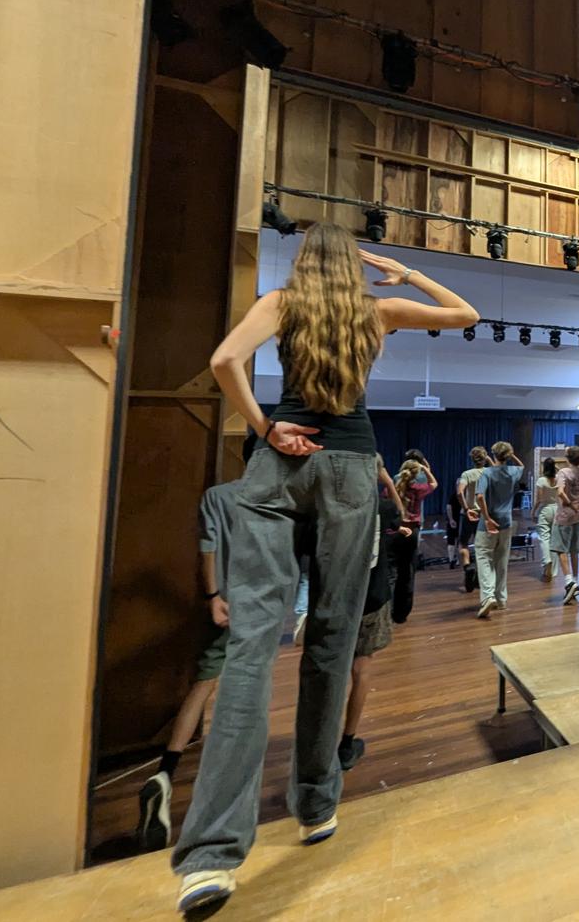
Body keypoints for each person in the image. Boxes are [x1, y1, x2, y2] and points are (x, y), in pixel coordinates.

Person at [171, 224, 476, 914]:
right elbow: (465, 313)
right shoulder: (377, 311)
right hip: (349, 472)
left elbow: (224, 360)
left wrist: (264, 427)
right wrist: (405, 273)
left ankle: (210, 858)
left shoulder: (281, 303)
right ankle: (314, 804)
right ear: (354, 268)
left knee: (250, 651)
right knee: (333, 642)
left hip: (278, 464)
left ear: (305, 262)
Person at [136, 476, 242, 853]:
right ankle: (225, 799)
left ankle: (166, 771)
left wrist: (213, 596)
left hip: (224, 603)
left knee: (203, 685)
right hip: (257, 604)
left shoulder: (217, 496)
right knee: (248, 690)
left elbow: (207, 547)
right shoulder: (276, 497)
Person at [337, 500, 401, 772]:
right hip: (371, 598)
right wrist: (386, 481)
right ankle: (346, 744)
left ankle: (319, 741)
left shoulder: (331, 505)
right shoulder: (381, 507)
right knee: (361, 670)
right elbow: (399, 516)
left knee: (330, 673)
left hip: (335, 600)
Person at [474, 441, 524, 618]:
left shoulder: (487, 473)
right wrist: (511, 455)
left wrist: (487, 518)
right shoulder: (513, 471)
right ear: (508, 455)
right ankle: (501, 599)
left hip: (489, 523)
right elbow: (521, 465)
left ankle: (488, 596)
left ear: (493, 455)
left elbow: (480, 496)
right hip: (506, 522)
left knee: (483, 557)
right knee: (501, 561)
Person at [389, 459, 435, 616]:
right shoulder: (418, 488)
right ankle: (402, 611)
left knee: (392, 569)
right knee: (408, 571)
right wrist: (426, 469)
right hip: (412, 530)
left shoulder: (394, 488)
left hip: (396, 529)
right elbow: (434, 483)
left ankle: (389, 607)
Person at [552, 446, 579, 604]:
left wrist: (569, 504)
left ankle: (568, 581)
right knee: (574, 550)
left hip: (564, 515)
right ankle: (576, 581)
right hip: (577, 515)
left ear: (567, 458)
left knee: (561, 549)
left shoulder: (563, 472)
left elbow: (560, 492)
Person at [456, 448, 490, 593]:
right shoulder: (490, 473)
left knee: (463, 544)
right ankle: (478, 578)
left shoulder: (467, 474)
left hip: (469, 514)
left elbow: (459, 492)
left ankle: (467, 567)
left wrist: (466, 509)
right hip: (484, 514)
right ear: (485, 458)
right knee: (481, 546)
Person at [534, 457, 561, 582]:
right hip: (556, 509)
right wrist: (555, 467)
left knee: (544, 537)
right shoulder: (558, 479)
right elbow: (559, 472)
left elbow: (539, 499)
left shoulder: (541, 480)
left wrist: (533, 511)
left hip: (545, 509)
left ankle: (547, 561)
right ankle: (553, 571)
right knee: (553, 540)